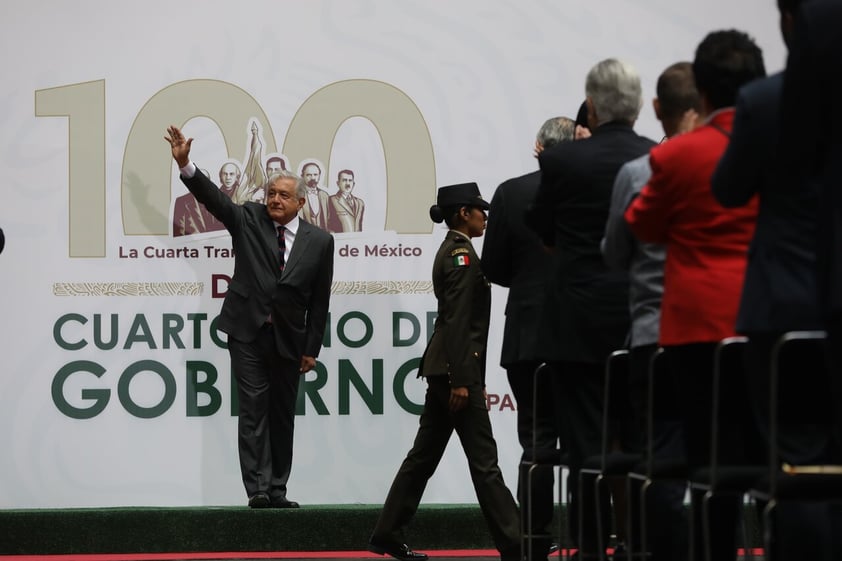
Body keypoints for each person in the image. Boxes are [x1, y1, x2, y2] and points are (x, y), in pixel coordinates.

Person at [624, 29, 766, 561]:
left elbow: (641, 225)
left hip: (693, 328)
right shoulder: (782, 151)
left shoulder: (679, 157)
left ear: (701, 94)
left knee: (703, 458)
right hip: (763, 322)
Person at [164, 125, 335, 509]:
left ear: (301, 203)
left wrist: (312, 348)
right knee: (253, 410)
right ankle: (258, 490)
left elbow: (320, 300)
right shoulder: (249, 219)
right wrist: (186, 165)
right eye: (272, 193)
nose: (275, 199)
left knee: (281, 416)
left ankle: (278, 489)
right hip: (247, 333)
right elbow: (214, 201)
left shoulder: (321, 242)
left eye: (284, 195)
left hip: (290, 340)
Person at [528, 58, 656, 559]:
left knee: (585, 446)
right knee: (641, 439)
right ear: (640, 105)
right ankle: (641, 543)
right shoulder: (655, 157)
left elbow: (545, 235)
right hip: (639, 316)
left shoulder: (562, 162)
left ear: (594, 105)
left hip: (576, 320)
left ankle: (591, 546)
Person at [368, 183, 521, 561]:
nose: (486, 216)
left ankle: (387, 533)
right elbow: (456, 322)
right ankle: (518, 543)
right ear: (462, 214)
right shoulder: (460, 255)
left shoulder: (460, 252)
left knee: (423, 457)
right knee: (485, 462)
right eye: (479, 210)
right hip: (453, 373)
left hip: (446, 370)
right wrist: (462, 380)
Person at [602, 61, 701, 561]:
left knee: (660, 457)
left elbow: (616, 253)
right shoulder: (738, 163)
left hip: (654, 333)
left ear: (657, 108)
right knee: (718, 460)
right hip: (721, 333)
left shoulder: (641, 173)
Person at [481, 115, 575, 561]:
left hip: (528, 335)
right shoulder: (592, 190)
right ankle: (588, 536)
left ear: (537, 147)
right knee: (585, 443)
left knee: (535, 442)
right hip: (582, 334)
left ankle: (534, 542)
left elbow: (493, 268)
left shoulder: (510, 193)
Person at [299, 161, 332, 230]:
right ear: (302, 176)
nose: (313, 178)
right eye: (308, 175)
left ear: (319, 176)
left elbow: (329, 218)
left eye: (315, 174)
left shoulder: (324, 195)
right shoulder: (298, 196)